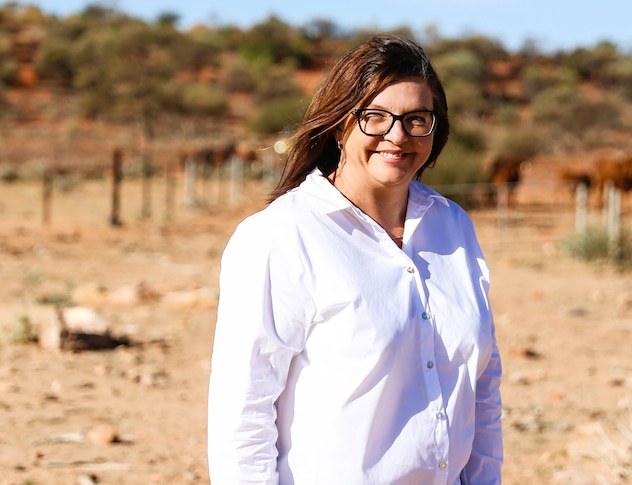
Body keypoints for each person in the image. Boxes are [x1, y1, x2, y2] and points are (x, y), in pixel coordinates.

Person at [207, 35, 503, 485]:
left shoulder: (454, 226)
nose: (398, 136)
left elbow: (482, 386)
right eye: (376, 117)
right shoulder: (282, 235)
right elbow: (243, 410)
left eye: (416, 119)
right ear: (341, 125)